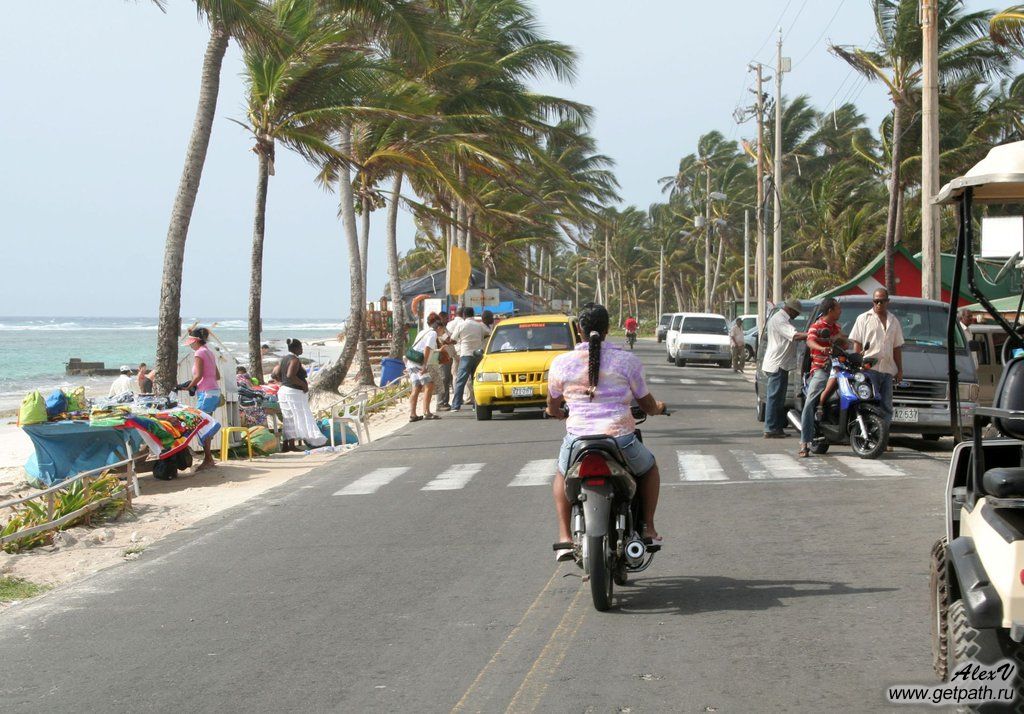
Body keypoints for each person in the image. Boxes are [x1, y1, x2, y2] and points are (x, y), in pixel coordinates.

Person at [546, 303, 667, 562]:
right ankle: (648, 527)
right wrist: (657, 408)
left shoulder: (561, 364)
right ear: (608, 329)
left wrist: (557, 413)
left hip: (578, 440)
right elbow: (646, 404)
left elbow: (553, 405)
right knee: (650, 469)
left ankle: (565, 537)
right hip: (620, 438)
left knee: (560, 473)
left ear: (579, 330)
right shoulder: (627, 361)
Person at [848, 288, 904, 425]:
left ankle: (883, 439)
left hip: (887, 370)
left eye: (882, 301)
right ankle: (868, 437)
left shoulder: (893, 321)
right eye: (876, 301)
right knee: (868, 404)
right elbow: (858, 344)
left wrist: (899, 370)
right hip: (868, 369)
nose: (878, 304)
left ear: (887, 302)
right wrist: (858, 367)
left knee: (886, 406)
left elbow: (896, 347)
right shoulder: (863, 318)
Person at [798, 298, 845, 457]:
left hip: (838, 368)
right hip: (821, 369)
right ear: (830, 310)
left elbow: (845, 344)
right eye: (838, 309)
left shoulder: (836, 327)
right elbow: (810, 341)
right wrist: (822, 348)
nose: (840, 311)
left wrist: (844, 341)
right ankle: (804, 443)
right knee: (809, 403)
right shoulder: (816, 326)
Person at [762, 299, 809, 438]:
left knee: (778, 398)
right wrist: (813, 334)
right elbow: (794, 336)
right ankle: (770, 428)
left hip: (781, 363)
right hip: (777, 364)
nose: (796, 316)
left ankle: (775, 427)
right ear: (790, 309)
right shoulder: (780, 319)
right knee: (774, 397)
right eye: (796, 313)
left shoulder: (781, 318)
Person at [270, 339, 327, 451]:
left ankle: (287, 445)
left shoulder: (284, 359)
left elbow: (275, 374)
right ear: (296, 348)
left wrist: (283, 382)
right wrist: (303, 385)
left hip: (284, 391)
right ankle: (292, 445)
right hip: (293, 393)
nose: (302, 349)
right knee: (296, 418)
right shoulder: (295, 360)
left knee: (288, 418)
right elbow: (291, 375)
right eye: (301, 347)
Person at [182, 328, 222, 470]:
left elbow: (198, 376)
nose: (191, 346)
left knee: (201, 424)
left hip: (206, 393)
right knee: (205, 424)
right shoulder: (209, 352)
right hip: (214, 391)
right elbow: (217, 376)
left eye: (191, 342)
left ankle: (208, 459)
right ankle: (208, 457)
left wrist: (188, 386)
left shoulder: (199, 353)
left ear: (196, 341)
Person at [448, 307, 491, 411]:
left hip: (466, 355)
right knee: (476, 381)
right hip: (478, 355)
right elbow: (488, 333)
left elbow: (452, 339)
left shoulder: (461, 325)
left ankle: (456, 406)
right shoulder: (479, 325)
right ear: (473, 314)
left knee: (460, 381)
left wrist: (460, 340)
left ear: (464, 315)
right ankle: (476, 405)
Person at [405, 313, 442, 422]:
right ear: (438, 326)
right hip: (420, 362)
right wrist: (425, 365)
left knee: (416, 387)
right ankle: (427, 412)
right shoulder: (433, 333)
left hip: (412, 362)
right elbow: (427, 348)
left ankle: (413, 414)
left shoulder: (422, 332)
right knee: (429, 385)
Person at [435, 313, 456, 412]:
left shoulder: (444, 328)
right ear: (441, 318)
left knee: (447, 380)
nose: (447, 319)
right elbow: (448, 340)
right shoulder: (440, 329)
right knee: (443, 380)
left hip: (448, 357)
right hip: (443, 358)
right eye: (445, 318)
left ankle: (445, 402)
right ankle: (440, 403)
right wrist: (453, 340)